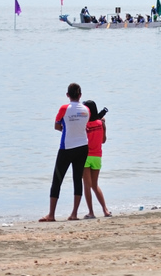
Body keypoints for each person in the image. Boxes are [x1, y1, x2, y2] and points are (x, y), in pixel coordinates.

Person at [40, 83, 90, 222]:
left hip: (67, 147)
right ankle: (74, 214)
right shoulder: (86, 109)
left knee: (57, 179)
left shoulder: (64, 108)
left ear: (67, 95)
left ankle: (51, 214)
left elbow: (57, 126)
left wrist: (66, 129)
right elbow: (83, 126)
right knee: (77, 179)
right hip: (83, 146)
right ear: (80, 95)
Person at [82, 100, 111, 219]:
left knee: (87, 185)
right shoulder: (100, 123)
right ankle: (105, 210)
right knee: (94, 185)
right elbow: (103, 141)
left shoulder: (85, 125)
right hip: (97, 157)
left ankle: (91, 212)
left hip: (85, 156)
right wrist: (103, 124)